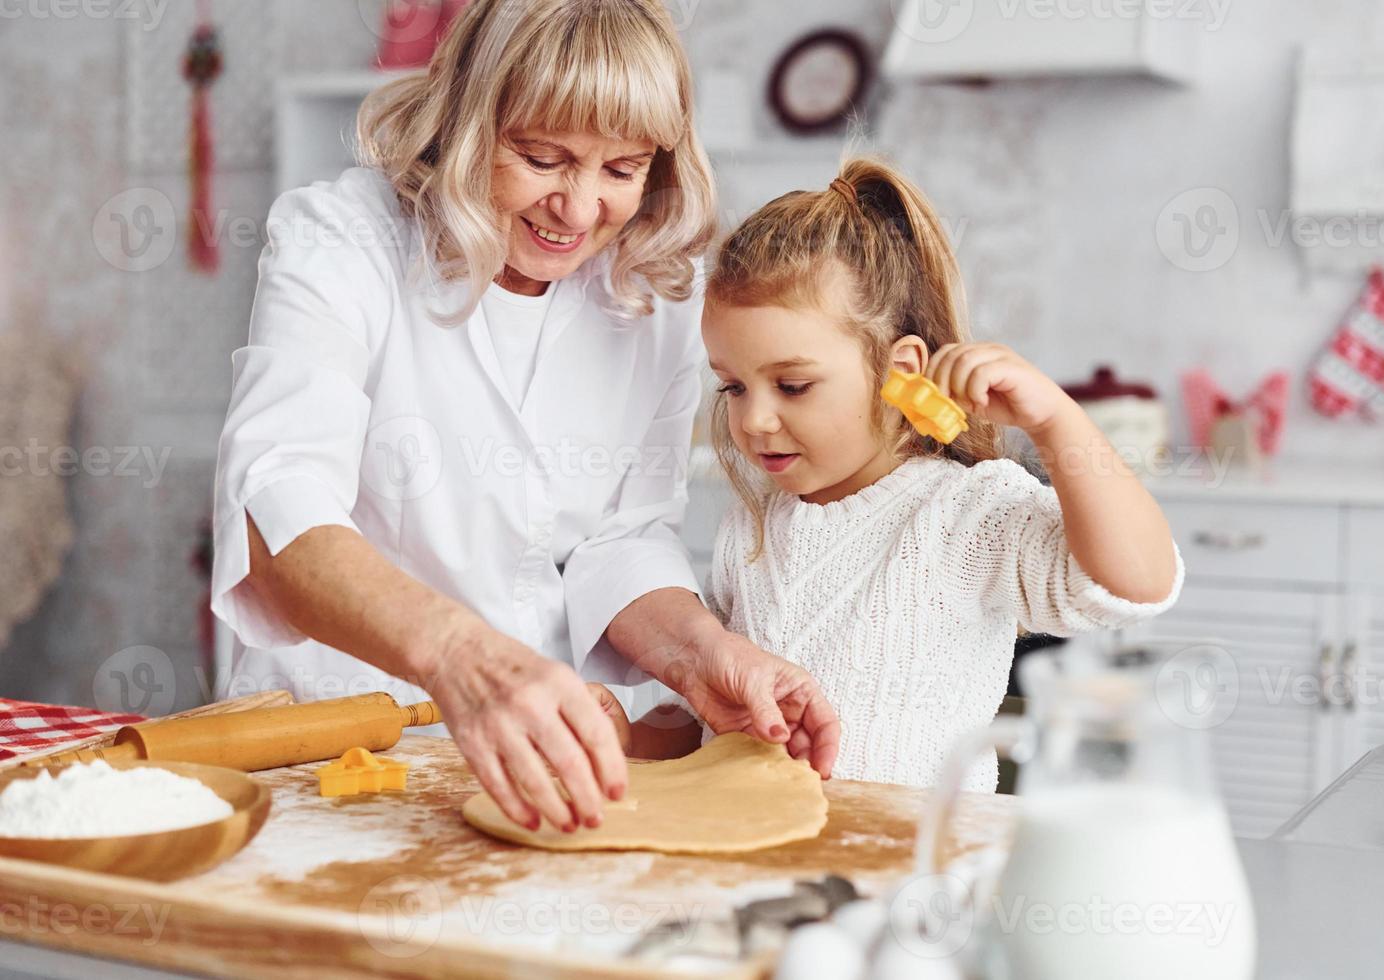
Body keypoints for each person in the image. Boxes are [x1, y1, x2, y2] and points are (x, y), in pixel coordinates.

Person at [210, 0, 838, 837]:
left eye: (622, 169)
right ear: (469, 122)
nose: (578, 212)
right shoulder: (344, 241)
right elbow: (278, 509)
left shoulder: (655, 291)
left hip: (543, 751)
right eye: (543, 159)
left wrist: (700, 657)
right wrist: (466, 660)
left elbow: (624, 537)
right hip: (328, 742)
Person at [607, 157, 1184, 791]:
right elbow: (710, 714)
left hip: (917, 868)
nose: (756, 420)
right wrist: (632, 739)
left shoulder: (968, 511)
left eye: (793, 386)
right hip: (771, 870)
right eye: (734, 387)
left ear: (899, 369)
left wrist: (1055, 422)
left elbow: (1137, 585)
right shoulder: (752, 525)